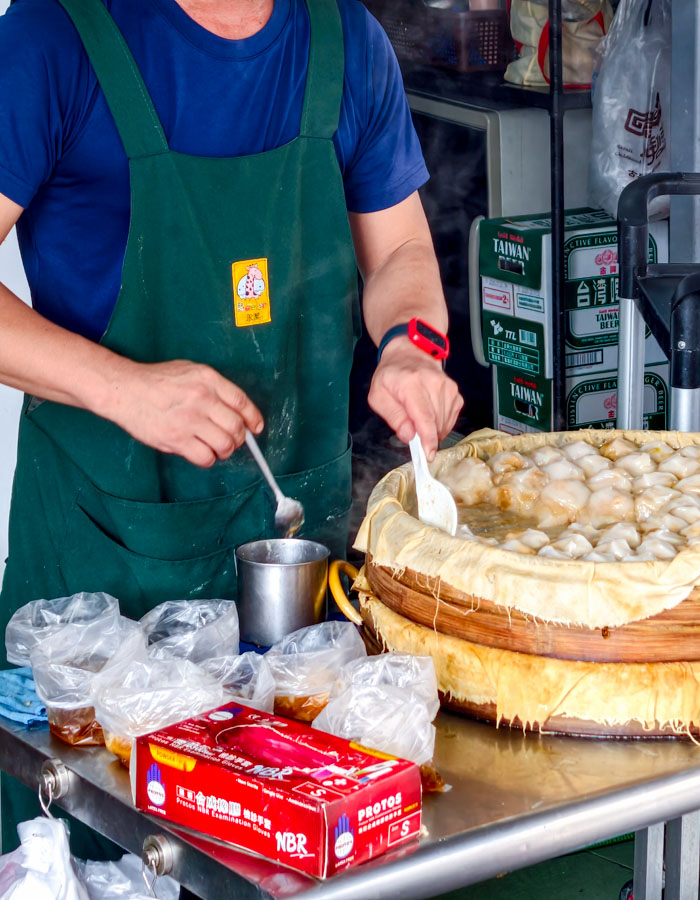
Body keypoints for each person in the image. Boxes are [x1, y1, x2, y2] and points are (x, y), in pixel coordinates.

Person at [0, 0, 461, 850]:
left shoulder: (345, 41)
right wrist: (123, 389)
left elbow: (399, 254)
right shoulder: (55, 39)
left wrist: (410, 348)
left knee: (304, 843)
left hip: (299, 554)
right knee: (106, 853)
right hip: (108, 559)